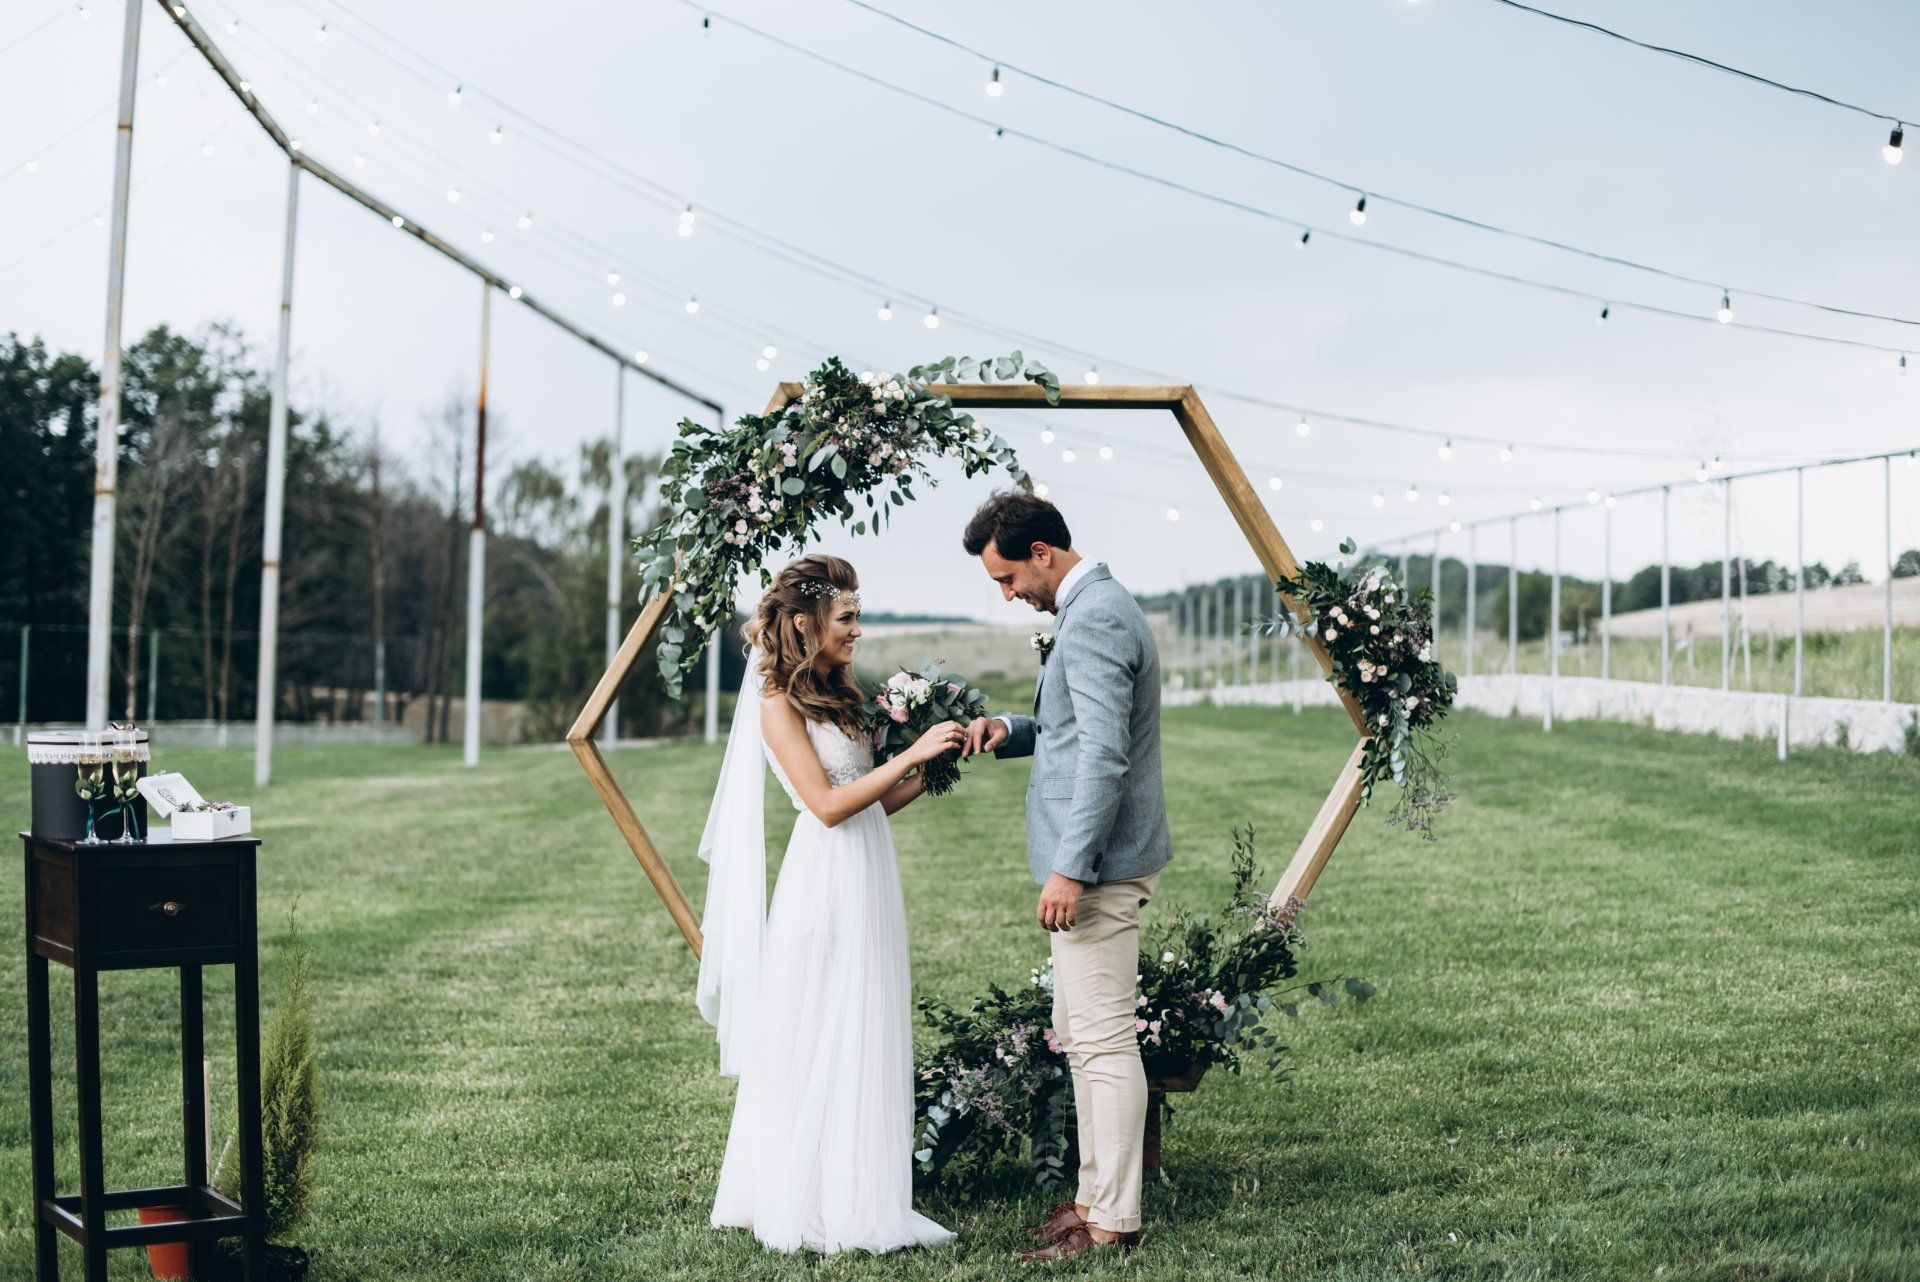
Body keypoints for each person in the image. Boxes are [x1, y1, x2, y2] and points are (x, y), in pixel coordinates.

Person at [701, 554, 959, 1254]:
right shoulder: (777, 707)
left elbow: (872, 802)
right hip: (824, 881)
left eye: (857, 616)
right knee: (822, 1024)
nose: (858, 631)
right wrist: (906, 757)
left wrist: (936, 760)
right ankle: (804, 1195)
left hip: (868, 870)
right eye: (847, 618)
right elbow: (824, 807)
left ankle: (858, 1184)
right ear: (809, 623)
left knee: (864, 1014)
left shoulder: (842, 697)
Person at [959, 490, 1174, 1263]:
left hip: (1099, 868)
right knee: (1083, 1038)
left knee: (1104, 1043)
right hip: (1097, 865)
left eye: (1007, 579)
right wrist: (1009, 730)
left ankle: (1112, 1220)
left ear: (1042, 553)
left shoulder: (1096, 617)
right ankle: (1091, 1199)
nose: (1009, 595)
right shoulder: (1092, 612)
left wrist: (1069, 870)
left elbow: (1104, 757)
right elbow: (1071, 729)